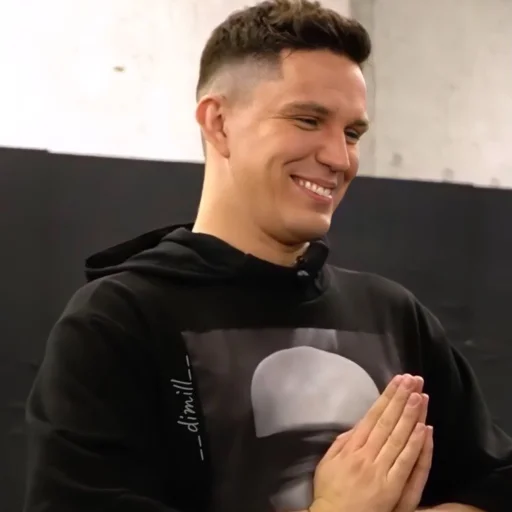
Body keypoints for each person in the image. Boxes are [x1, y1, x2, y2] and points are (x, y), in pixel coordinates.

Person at [24, 1, 512, 511]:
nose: (339, 157)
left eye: (351, 133)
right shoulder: (118, 322)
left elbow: (497, 483)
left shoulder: (393, 316)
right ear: (219, 124)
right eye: (308, 119)